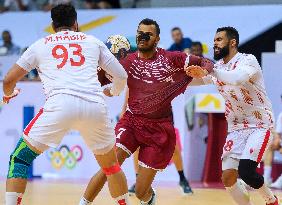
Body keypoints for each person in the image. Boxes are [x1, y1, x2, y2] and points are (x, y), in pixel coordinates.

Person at [2, 4, 131, 205]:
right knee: (111, 166)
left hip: (59, 106)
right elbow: (121, 76)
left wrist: (9, 94)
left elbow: (9, 80)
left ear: (53, 25)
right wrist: (112, 91)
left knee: (19, 159)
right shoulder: (92, 41)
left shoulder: (40, 44)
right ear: (76, 23)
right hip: (94, 106)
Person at [78, 18, 213, 205]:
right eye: (140, 33)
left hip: (159, 129)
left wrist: (204, 71)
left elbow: (207, 63)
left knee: (141, 192)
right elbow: (98, 81)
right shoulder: (127, 61)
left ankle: (154, 194)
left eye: (148, 34)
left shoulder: (171, 58)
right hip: (131, 123)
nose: (142, 37)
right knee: (109, 164)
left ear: (157, 39)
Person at [186, 26, 279, 205]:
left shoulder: (248, 61)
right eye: (214, 40)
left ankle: (271, 200)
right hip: (236, 127)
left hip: (259, 124)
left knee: (246, 172)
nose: (215, 43)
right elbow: (198, 80)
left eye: (219, 40)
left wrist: (210, 70)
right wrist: (174, 80)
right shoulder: (218, 67)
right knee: (228, 178)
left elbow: (236, 78)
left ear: (233, 42)